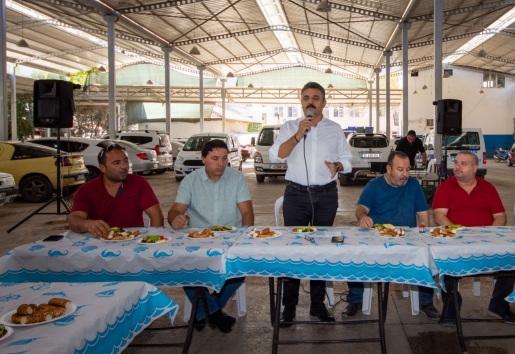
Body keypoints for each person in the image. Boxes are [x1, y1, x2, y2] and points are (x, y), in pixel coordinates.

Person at [269, 81, 353, 325]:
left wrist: (337, 165)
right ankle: (289, 306)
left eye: (316, 97)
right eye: (306, 97)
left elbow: (347, 159)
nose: (310, 101)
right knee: (292, 249)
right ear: (301, 101)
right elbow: (276, 155)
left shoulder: (335, 129)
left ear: (324, 103)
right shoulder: (289, 127)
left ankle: (317, 304)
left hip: (326, 195)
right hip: (296, 196)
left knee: (322, 248)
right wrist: (298, 134)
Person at [168, 139, 253, 333]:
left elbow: (247, 212)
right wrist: (176, 220)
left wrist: (244, 238)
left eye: (224, 158)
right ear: (203, 159)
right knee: (184, 268)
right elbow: (174, 211)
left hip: (230, 238)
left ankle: (202, 312)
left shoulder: (237, 177)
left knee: (241, 268)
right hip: (198, 238)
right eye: (215, 158)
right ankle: (213, 313)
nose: (221, 164)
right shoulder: (190, 180)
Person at [343, 151, 439, 318]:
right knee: (356, 254)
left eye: (407, 170)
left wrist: (423, 234)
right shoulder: (374, 185)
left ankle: (426, 303)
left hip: (406, 239)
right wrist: (363, 217)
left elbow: (423, 215)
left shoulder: (414, 185)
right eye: (400, 170)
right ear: (388, 169)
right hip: (377, 238)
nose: (405, 175)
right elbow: (361, 208)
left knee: (426, 255)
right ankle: (355, 301)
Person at [433, 151, 515, 325]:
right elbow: (439, 216)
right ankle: (452, 305)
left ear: (474, 167)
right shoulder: (446, 187)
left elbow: (500, 216)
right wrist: (458, 234)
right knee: (443, 261)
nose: (457, 166)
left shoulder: (488, 188)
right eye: (456, 162)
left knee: (511, 261)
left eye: (463, 163)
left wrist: (489, 235)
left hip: (487, 241)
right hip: (456, 242)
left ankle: (498, 305)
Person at [68, 142, 164, 237]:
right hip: (99, 243)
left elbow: (156, 215)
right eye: (116, 163)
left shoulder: (138, 183)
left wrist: (153, 240)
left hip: (134, 243)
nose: (124, 166)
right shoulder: (86, 190)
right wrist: (88, 224)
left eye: (126, 161)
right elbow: (74, 220)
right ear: (102, 168)